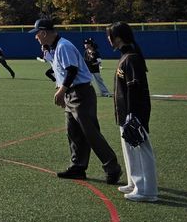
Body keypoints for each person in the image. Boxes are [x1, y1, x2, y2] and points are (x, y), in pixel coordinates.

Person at [29, 18, 121, 184]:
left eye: (37, 34)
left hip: (80, 93)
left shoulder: (63, 46)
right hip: (72, 94)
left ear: (43, 33)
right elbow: (61, 71)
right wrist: (62, 91)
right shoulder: (56, 47)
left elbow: (72, 70)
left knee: (90, 132)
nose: (35, 37)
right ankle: (78, 167)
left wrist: (61, 91)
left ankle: (112, 167)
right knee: (74, 132)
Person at [107, 22, 158, 202]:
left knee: (141, 149)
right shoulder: (126, 56)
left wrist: (132, 114)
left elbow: (134, 88)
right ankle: (135, 183)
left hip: (134, 113)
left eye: (110, 36)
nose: (108, 40)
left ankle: (148, 191)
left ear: (118, 38)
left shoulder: (131, 58)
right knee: (129, 149)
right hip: (126, 113)